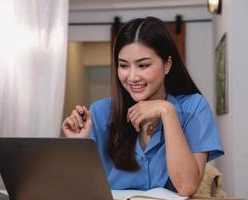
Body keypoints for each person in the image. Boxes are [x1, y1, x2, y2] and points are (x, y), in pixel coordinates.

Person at [62, 16, 224, 197]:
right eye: (123, 65)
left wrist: (167, 111)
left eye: (143, 65)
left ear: (167, 65)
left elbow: (186, 187)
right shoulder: (100, 112)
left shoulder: (194, 107)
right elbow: (82, 189)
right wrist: (79, 146)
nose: (132, 77)